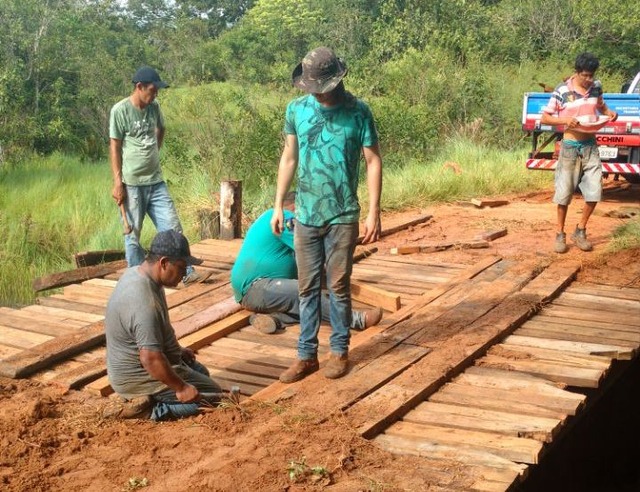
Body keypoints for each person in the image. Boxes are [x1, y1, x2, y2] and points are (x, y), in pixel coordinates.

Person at [271, 47, 383, 383]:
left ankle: (339, 351)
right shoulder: (296, 110)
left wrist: (374, 211)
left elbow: (373, 161)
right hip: (305, 213)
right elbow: (289, 157)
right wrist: (278, 203)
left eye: (321, 85)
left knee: (337, 286)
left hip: (342, 215)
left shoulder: (358, 112)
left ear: (336, 81)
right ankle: (306, 356)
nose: (316, 92)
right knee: (306, 288)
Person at [104, 230, 222, 421]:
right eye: (182, 268)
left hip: (144, 363)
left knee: (201, 373)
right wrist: (181, 388)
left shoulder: (139, 274)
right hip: (137, 376)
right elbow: (150, 358)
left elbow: (156, 329)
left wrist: (178, 350)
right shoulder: (143, 302)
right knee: (214, 398)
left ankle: (158, 396)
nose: (184, 275)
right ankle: (151, 410)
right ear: (164, 263)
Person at [230, 192, 383, 334]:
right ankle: (356, 320)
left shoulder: (273, 217)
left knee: (311, 297)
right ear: (296, 207)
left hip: (261, 290)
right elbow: (312, 249)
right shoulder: (285, 218)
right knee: (307, 292)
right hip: (256, 288)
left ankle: (277, 319)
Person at [109, 66, 207, 285]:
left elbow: (161, 129)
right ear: (139, 87)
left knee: (173, 228)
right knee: (132, 236)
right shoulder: (120, 110)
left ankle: (187, 272)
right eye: (152, 90)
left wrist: (154, 149)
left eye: (156, 91)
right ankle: (137, 280)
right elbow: (115, 146)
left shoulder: (155, 108)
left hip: (156, 182)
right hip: (132, 184)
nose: (155, 95)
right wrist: (117, 181)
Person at [540, 52, 618, 253]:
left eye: (592, 75)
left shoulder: (596, 88)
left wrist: (610, 114)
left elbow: (601, 106)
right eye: (585, 75)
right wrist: (565, 121)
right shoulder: (562, 91)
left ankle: (581, 230)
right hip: (570, 147)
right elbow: (546, 118)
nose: (589, 79)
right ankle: (560, 234)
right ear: (576, 73)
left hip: (590, 146)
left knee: (595, 192)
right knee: (564, 194)